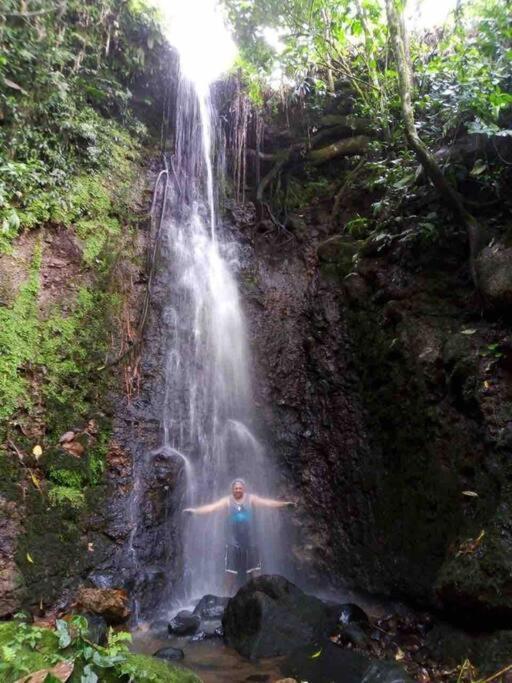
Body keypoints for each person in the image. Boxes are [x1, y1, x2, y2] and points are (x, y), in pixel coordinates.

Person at [184, 478, 295, 593]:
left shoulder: (251, 499)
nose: (238, 490)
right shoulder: (227, 501)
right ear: (232, 489)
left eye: (240, 488)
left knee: (256, 572)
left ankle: (260, 598)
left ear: (244, 489)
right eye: (236, 488)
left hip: (251, 540)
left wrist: (284, 505)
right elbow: (211, 508)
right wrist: (195, 511)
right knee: (230, 574)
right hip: (233, 542)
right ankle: (224, 600)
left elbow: (267, 503)